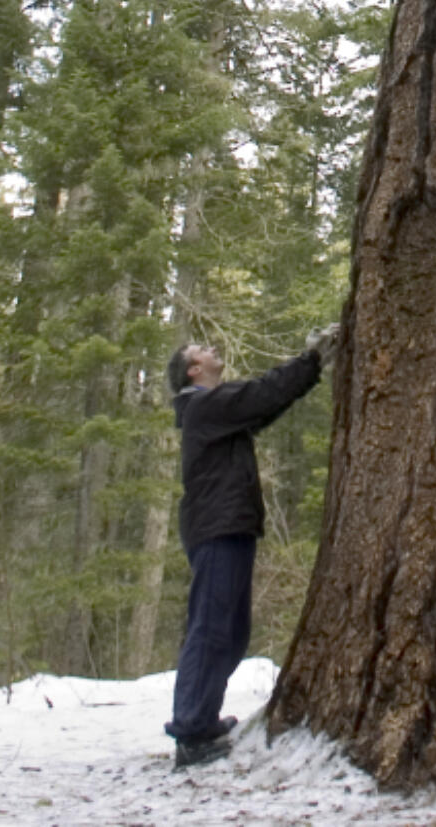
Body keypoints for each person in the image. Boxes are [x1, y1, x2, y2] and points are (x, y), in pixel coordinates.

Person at [163, 327, 340, 770]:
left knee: (232, 632)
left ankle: (201, 720)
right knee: (211, 629)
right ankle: (190, 731)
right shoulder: (201, 405)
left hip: (230, 527)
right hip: (218, 529)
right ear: (193, 369)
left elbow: (266, 405)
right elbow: (259, 395)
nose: (211, 347)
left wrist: (311, 369)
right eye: (201, 349)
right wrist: (312, 360)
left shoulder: (212, 412)